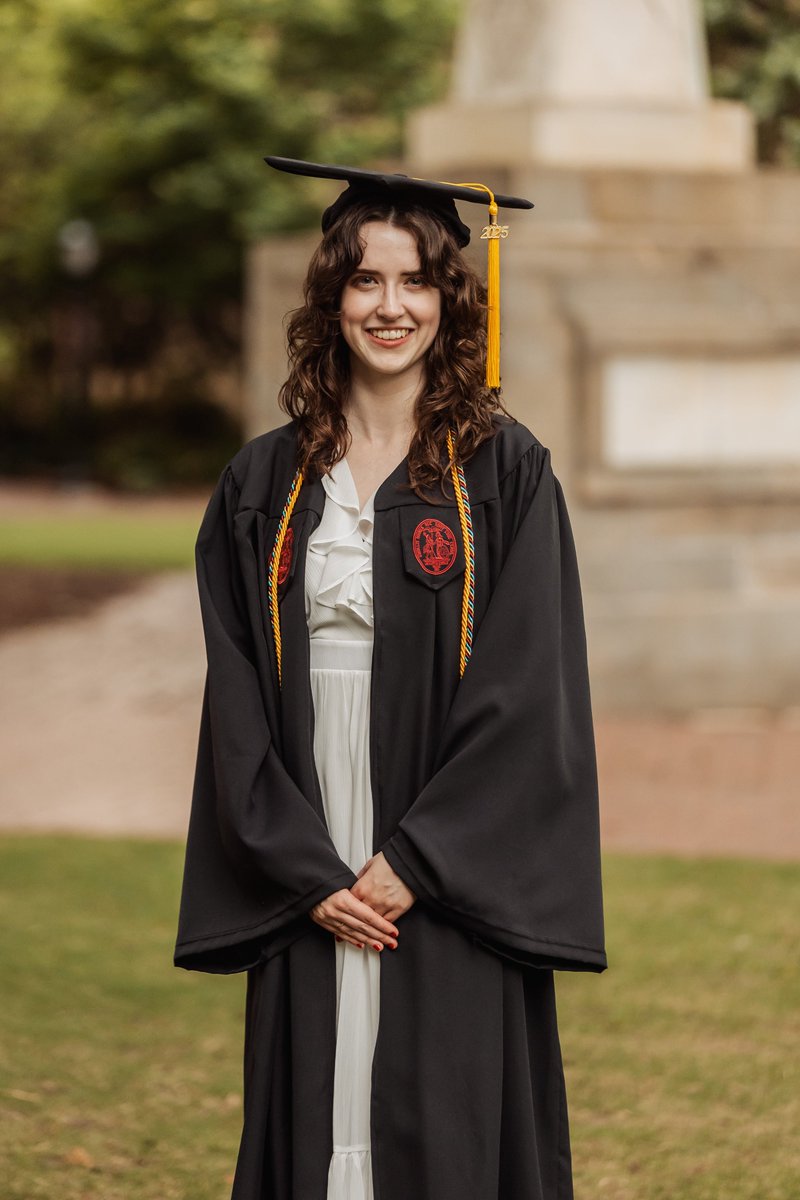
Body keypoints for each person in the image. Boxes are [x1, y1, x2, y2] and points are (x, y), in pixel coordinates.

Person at [174, 158, 607, 1200]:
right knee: (316, 1097)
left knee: (439, 1098)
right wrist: (306, 869)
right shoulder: (264, 482)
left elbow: (527, 689)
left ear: (449, 302)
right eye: (364, 281)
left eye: (414, 282)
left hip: (438, 849)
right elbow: (234, 697)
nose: (389, 306)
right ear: (331, 300)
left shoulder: (503, 475)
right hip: (310, 837)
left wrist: (416, 859)